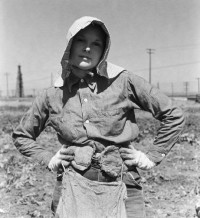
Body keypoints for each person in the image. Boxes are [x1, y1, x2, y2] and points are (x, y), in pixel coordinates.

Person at [12, 16, 185, 218]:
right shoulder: (52, 94)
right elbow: (21, 135)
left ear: (104, 50)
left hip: (122, 182)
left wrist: (151, 157)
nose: (88, 48)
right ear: (69, 45)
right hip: (71, 185)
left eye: (96, 44)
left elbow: (173, 115)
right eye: (81, 40)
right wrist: (49, 159)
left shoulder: (124, 81)